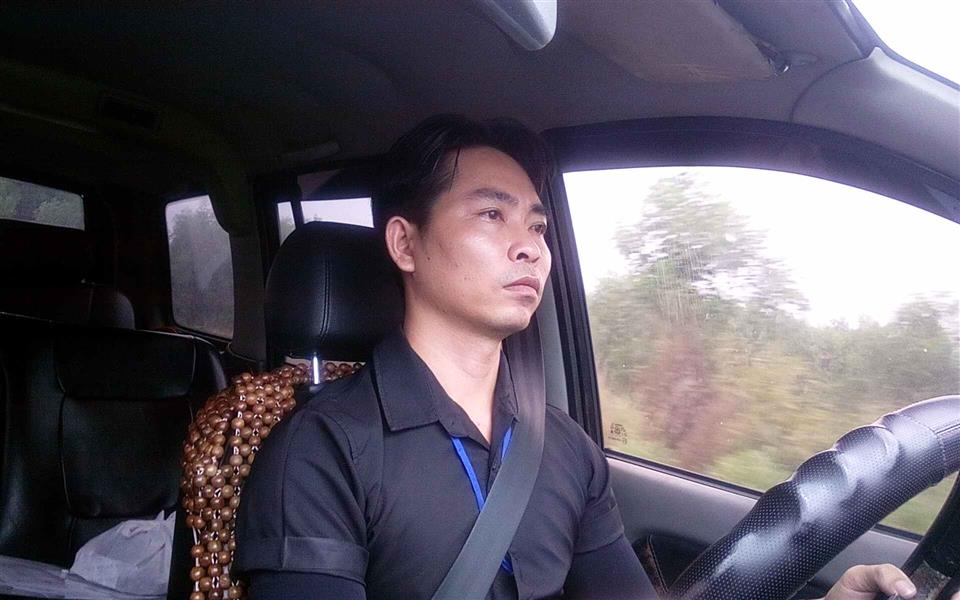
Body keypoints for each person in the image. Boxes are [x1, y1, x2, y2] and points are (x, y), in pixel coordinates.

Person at [234, 115, 945, 600]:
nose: (530, 246)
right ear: (404, 244)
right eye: (492, 214)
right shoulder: (321, 453)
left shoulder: (564, 450)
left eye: (537, 226)